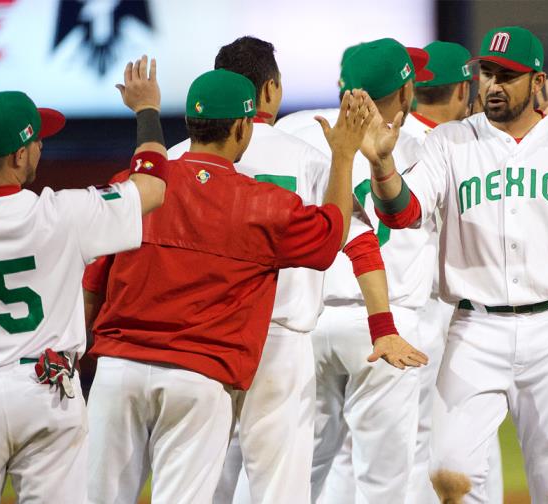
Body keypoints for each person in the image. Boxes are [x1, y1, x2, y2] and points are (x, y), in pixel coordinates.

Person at [365, 26, 548, 503]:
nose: (494, 85)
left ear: (537, 80)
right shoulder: (449, 142)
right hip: (474, 330)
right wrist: (383, 168)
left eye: (508, 75)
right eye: (487, 73)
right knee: (449, 468)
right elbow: (402, 213)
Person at [83, 67, 374, 503]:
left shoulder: (137, 187)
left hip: (116, 372)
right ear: (243, 127)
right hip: (195, 379)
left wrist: (72, 352)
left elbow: (93, 279)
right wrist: (345, 155)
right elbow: (331, 237)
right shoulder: (260, 203)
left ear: (191, 124)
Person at [164, 36, 423, 504]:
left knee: (198, 482)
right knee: (279, 485)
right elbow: (362, 242)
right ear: (268, 92)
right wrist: (382, 325)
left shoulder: (172, 161)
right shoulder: (309, 154)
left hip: (197, 340)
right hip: (281, 342)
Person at [0, 55, 167, 503]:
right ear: (18, 154)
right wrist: (147, 111)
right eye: (36, 142)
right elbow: (152, 188)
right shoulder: (62, 213)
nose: (42, 149)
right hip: (46, 391)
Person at [291, 38, 433, 504]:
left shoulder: (296, 131)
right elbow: (403, 215)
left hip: (304, 322)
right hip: (385, 327)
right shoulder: (424, 146)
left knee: (293, 476)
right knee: (384, 485)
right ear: (407, 91)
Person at [403, 40, 503, 504]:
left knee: (410, 446)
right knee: (461, 446)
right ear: (466, 90)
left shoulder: (391, 139)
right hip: (449, 312)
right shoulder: (463, 147)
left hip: (398, 308)